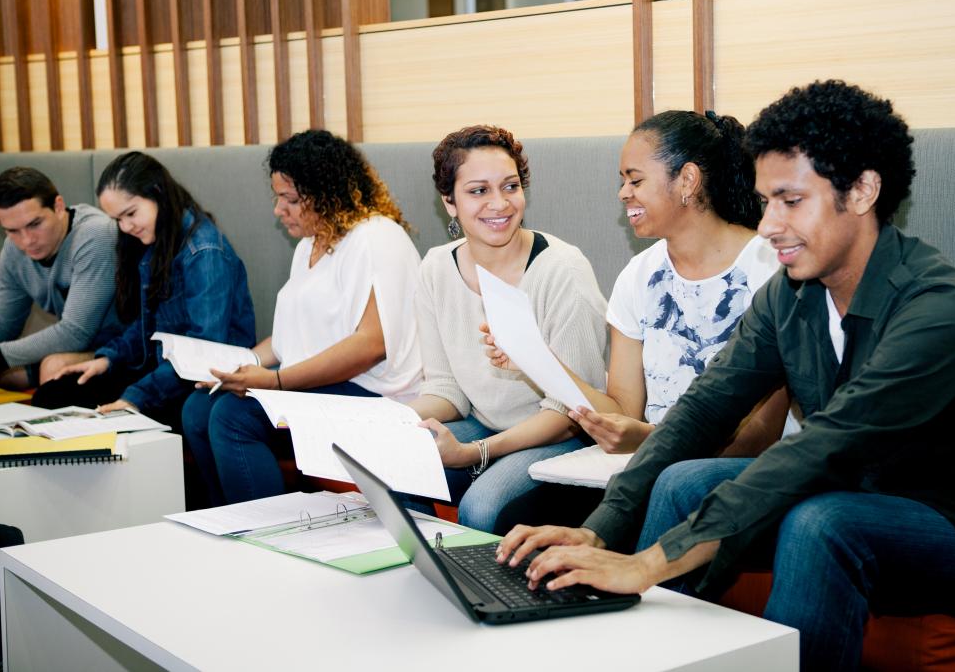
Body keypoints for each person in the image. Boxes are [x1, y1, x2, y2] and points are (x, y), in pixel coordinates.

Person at [497, 80, 955, 671]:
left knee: (824, 524)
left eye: (791, 200)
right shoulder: (788, 296)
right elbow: (703, 410)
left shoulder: (941, 308)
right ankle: (640, 658)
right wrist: (601, 532)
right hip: (854, 490)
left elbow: (823, 449)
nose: (768, 225)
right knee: (684, 480)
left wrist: (649, 563)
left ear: (862, 191)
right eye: (766, 202)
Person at [489, 110, 798, 533]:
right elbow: (621, 408)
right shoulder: (639, 275)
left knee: (667, 490)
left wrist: (650, 440)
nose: (623, 193)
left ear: (687, 180)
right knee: (512, 519)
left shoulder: (772, 269)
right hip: (648, 461)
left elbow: (760, 437)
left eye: (635, 180)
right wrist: (536, 358)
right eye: (623, 181)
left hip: (727, 470)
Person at [181, 130, 422, 505]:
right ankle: (226, 520)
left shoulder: (377, 238)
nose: (279, 211)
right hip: (324, 382)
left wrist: (276, 381)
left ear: (327, 194)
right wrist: (234, 367)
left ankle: (268, 535)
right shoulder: (311, 243)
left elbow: (371, 345)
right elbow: (285, 341)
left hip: (375, 391)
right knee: (199, 408)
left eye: (290, 199)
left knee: (233, 416)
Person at [407, 124, 607, 533]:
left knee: (482, 508)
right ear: (449, 202)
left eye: (510, 187)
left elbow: (573, 410)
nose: (499, 204)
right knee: (395, 467)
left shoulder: (562, 270)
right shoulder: (435, 268)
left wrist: (475, 452)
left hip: (561, 433)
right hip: (485, 422)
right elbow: (447, 391)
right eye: (478, 191)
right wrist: (381, 419)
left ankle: (492, 596)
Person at [32, 152, 256, 426]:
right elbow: (147, 326)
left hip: (196, 381)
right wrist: (107, 360)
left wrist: (135, 397)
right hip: (161, 371)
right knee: (54, 394)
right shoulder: (158, 241)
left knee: (88, 408)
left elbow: (203, 352)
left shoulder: (203, 251)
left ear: (158, 193)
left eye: (130, 214)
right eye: (117, 220)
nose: (125, 227)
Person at [0, 167, 121, 390]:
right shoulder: (13, 252)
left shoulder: (96, 234)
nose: (26, 241)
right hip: (77, 349)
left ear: (58, 206)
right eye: (12, 231)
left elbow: (76, 333)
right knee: (6, 377)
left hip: (124, 348)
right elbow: (4, 325)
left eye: (34, 224)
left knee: (54, 368)